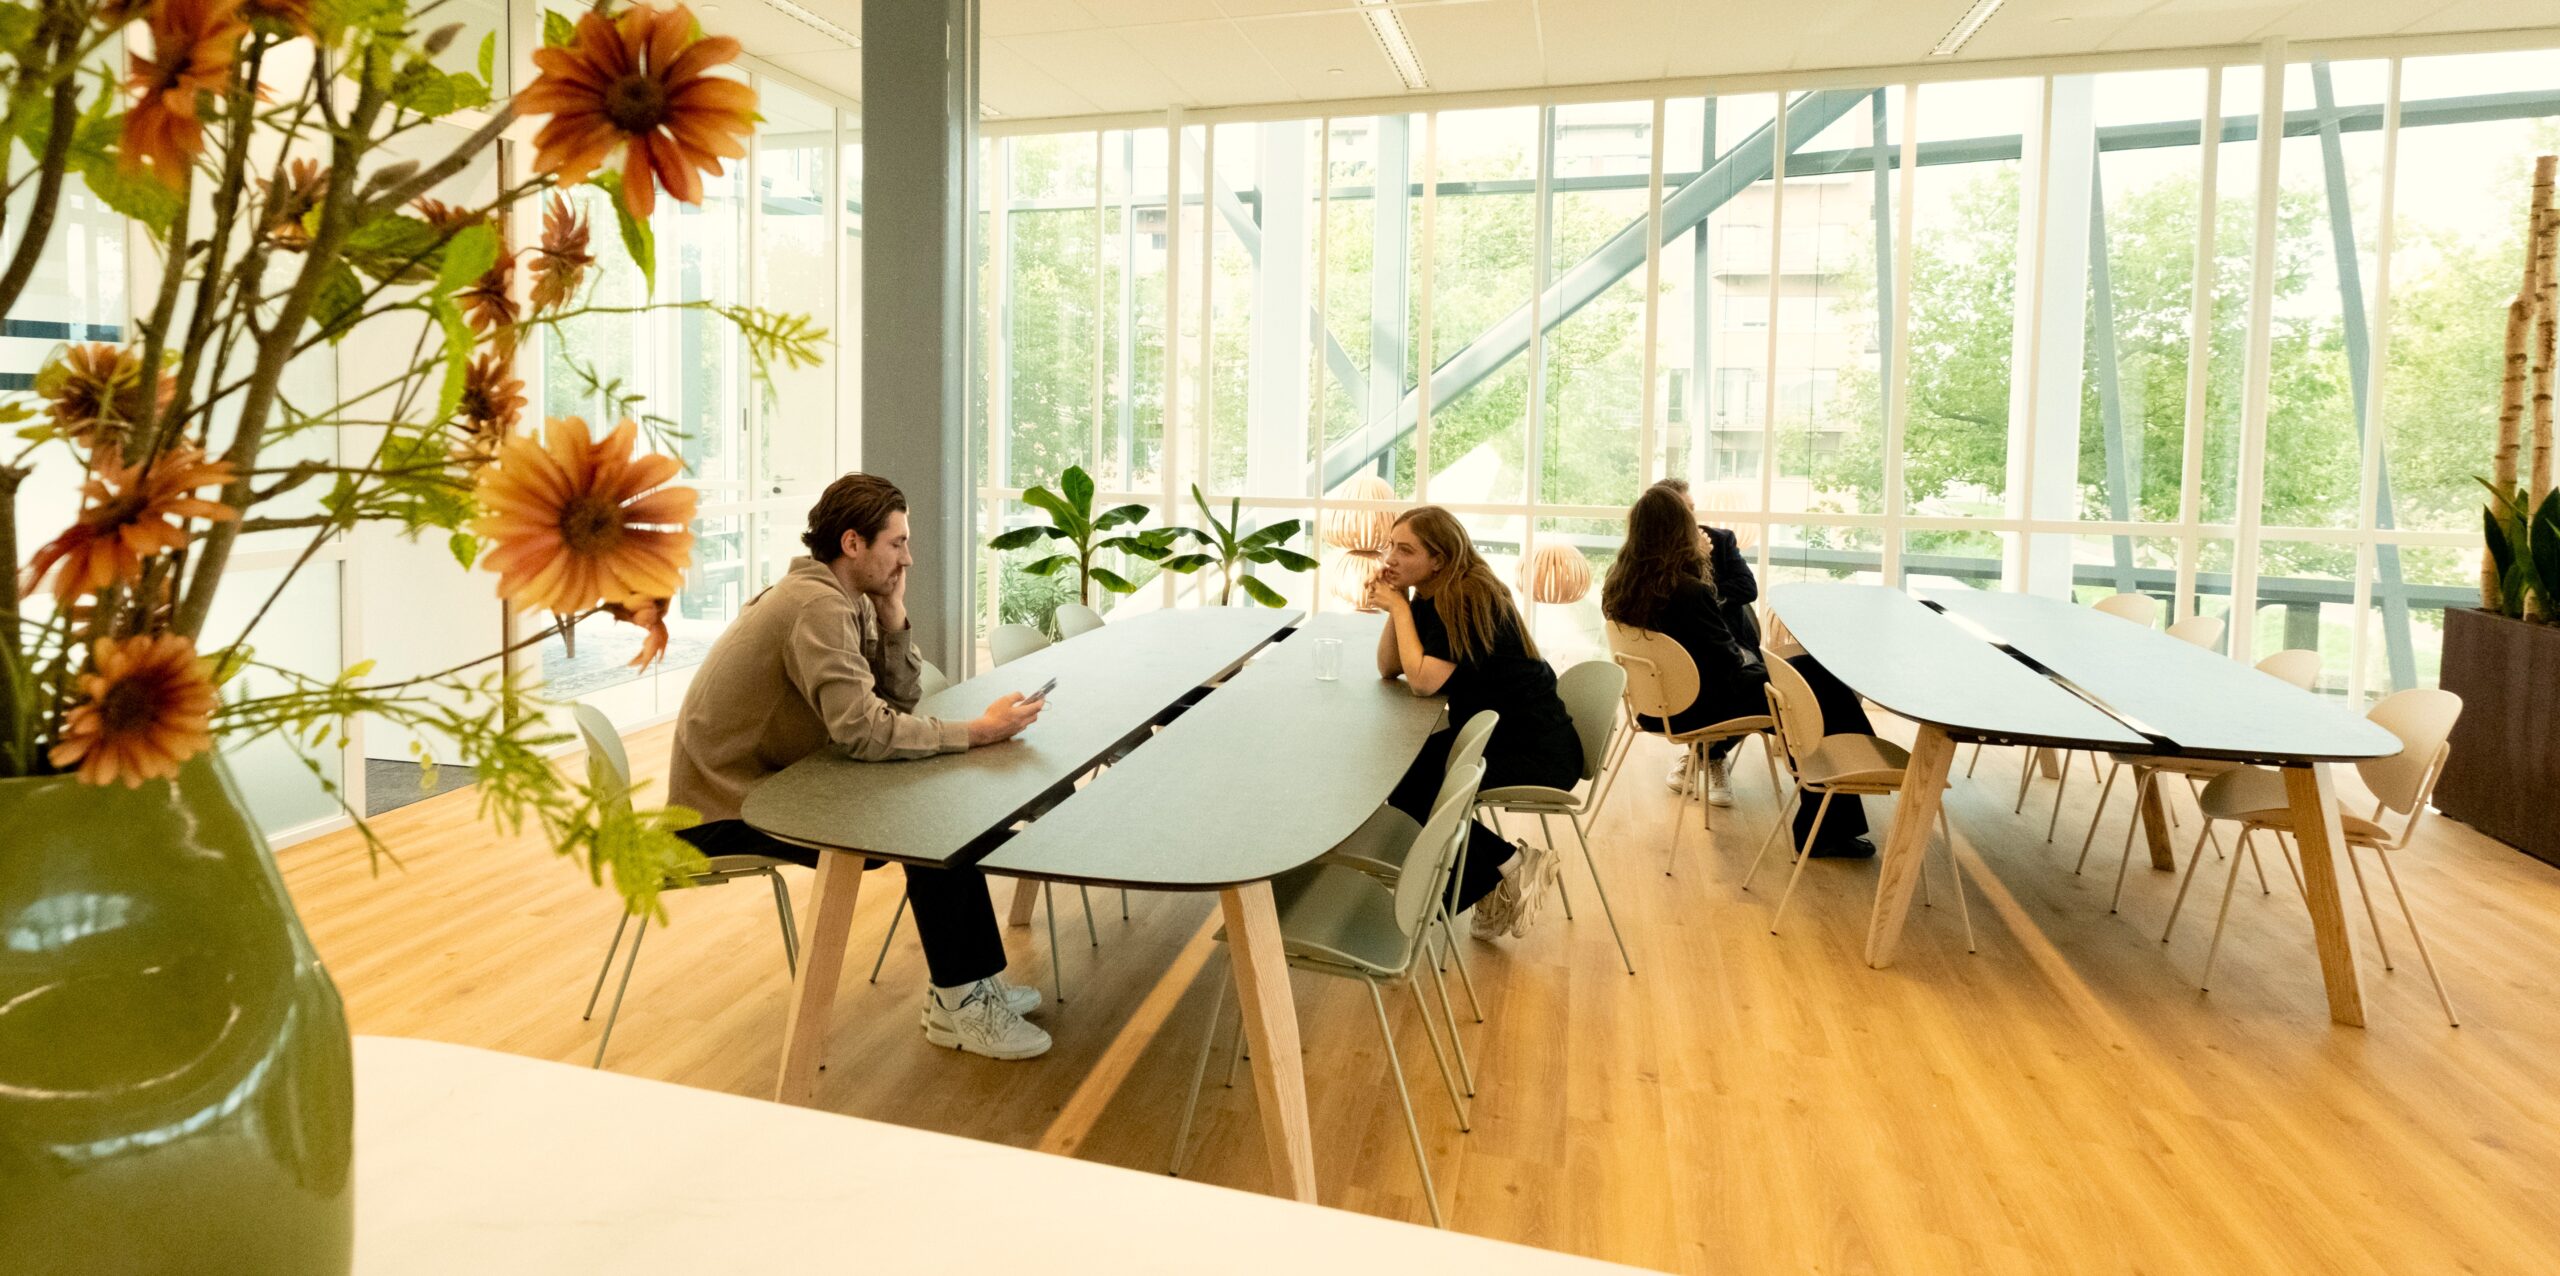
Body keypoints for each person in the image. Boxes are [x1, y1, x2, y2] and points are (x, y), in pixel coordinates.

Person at [667, 473, 1053, 1059]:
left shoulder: (846, 599)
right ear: (853, 543)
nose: (908, 558)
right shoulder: (816, 605)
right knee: (928, 823)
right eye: (897, 543)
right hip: (725, 809)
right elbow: (866, 732)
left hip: (778, 783)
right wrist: (978, 731)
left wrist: (893, 614)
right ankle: (962, 1002)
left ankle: (963, 987)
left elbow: (894, 704)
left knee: (935, 803)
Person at [1603, 485, 1875, 857]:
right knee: (1816, 683)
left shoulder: (1619, 587)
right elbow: (1728, 667)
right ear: (1681, 532)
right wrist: (1766, 670)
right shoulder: (1690, 592)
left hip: (1656, 705)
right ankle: (1849, 786)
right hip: (1701, 705)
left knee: (1807, 676)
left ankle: (1832, 813)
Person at [1370, 506, 1571, 938]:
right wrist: (1398, 605)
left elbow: (1422, 682)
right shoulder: (1433, 593)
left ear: (1438, 559)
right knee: (1400, 773)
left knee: (1415, 784)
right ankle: (1502, 873)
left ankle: (1507, 868)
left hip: (1533, 749)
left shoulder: (1464, 596)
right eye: (1390, 546)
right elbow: (1390, 667)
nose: (1390, 558)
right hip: (1491, 735)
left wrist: (1399, 609)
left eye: (1405, 550)